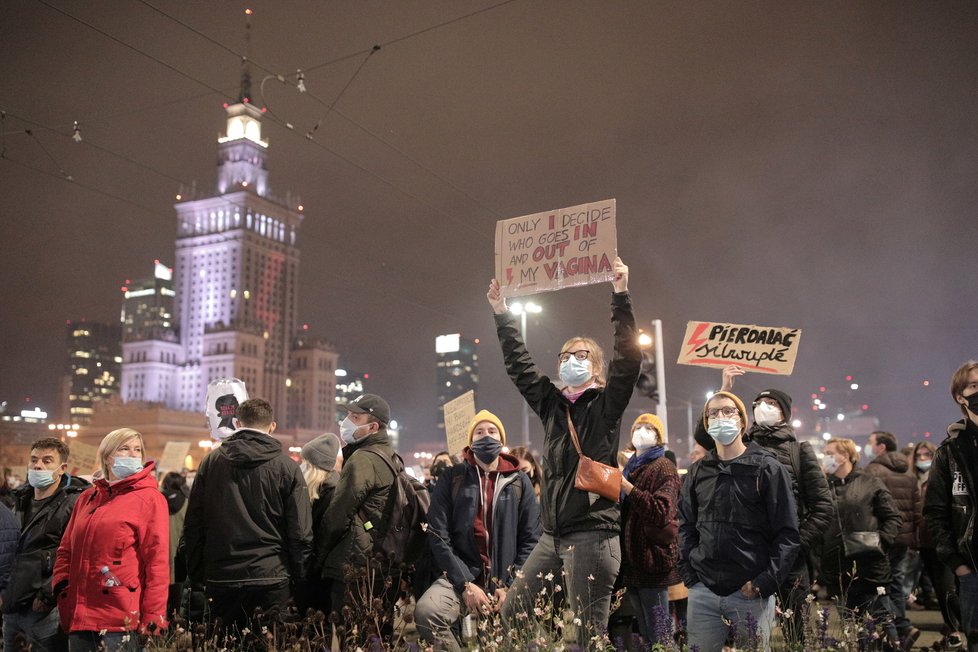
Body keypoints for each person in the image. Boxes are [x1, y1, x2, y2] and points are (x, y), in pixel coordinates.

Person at [487, 257, 641, 643]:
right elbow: (520, 367)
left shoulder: (606, 405)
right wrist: (502, 313)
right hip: (551, 535)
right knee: (514, 614)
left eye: (582, 355)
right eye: (565, 355)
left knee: (586, 637)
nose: (571, 360)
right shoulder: (552, 404)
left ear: (597, 366)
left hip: (592, 534)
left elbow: (629, 360)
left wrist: (620, 296)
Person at [693, 366, 834, 646]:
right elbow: (705, 436)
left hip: (788, 561)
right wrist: (725, 391)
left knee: (796, 633)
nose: (762, 408)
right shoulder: (744, 443)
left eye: (771, 403)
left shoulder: (799, 451)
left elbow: (822, 506)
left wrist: (793, 543)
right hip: (749, 559)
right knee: (744, 634)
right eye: (757, 403)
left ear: (784, 412)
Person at [679, 391, 799, 652]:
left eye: (728, 411)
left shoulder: (767, 468)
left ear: (743, 422)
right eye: (713, 413)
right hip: (704, 592)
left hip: (750, 593)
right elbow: (686, 526)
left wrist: (765, 582)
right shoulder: (699, 471)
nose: (720, 417)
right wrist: (691, 576)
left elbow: (787, 533)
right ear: (707, 424)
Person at [183, 398, 312, 634]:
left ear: (236, 422)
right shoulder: (287, 467)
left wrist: (198, 575)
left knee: (223, 645)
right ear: (272, 426)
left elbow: (193, 525)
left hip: (221, 576)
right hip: (271, 577)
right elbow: (300, 533)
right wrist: (300, 580)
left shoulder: (211, 463)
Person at [415, 410, 540, 651]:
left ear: (501, 440)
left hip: (507, 580)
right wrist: (464, 584)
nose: (486, 436)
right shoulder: (453, 478)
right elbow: (439, 534)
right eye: (479, 432)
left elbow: (530, 538)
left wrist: (510, 585)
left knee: (507, 642)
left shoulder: (518, 481)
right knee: (427, 613)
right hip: (462, 577)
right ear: (470, 442)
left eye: (492, 431)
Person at [53, 428, 169, 651]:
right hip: (80, 618)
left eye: (138, 450)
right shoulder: (87, 497)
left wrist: (153, 620)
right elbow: (66, 549)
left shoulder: (150, 499)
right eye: (125, 448)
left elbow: (157, 565)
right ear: (107, 457)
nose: (133, 455)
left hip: (121, 621)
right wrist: (62, 588)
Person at [2, 438, 89, 652]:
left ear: (62, 468)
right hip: (12, 605)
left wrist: (47, 595)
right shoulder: (19, 499)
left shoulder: (73, 504)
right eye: (34, 460)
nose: (38, 465)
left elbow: (73, 555)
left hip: (43, 610)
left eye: (47, 461)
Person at [316, 393, 398, 618]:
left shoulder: (363, 459)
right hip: (380, 563)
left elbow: (337, 516)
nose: (346, 421)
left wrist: (318, 557)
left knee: (351, 637)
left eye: (355, 417)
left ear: (373, 427)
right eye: (347, 415)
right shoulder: (391, 456)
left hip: (354, 566)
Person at [819, 437, 901, 649]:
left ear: (845, 455)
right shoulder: (822, 487)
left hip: (870, 564)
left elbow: (893, 517)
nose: (826, 457)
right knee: (852, 627)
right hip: (837, 565)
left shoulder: (870, 482)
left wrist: (881, 542)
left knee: (882, 623)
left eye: (830, 453)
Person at [925, 361, 978, 652]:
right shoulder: (949, 451)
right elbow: (935, 512)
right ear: (961, 396)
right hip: (973, 570)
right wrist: (958, 565)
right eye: (974, 386)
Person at [619, 413, 680, 646]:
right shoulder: (631, 467)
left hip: (652, 562)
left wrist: (628, 488)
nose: (642, 432)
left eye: (649, 428)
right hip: (633, 564)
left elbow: (661, 511)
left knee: (660, 634)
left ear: (658, 437)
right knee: (646, 632)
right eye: (638, 427)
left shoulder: (664, 467)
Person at [864, 430, 921, 648]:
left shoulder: (873, 470)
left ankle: (899, 629)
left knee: (880, 585)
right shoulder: (908, 472)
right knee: (896, 583)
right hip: (903, 538)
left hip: (882, 537)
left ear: (881, 447)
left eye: (871, 443)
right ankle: (903, 627)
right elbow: (917, 509)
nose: (868, 446)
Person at [910, 440, 962, 643]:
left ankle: (957, 627)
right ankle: (951, 626)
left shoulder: (941, 476)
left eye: (926, 455)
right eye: (919, 455)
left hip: (942, 539)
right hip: (925, 541)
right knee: (939, 586)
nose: (922, 459)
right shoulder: (916, 478)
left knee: (948, 586)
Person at [300, 432, 341, 616]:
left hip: (317, 575)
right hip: (314, 571)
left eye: (304, 463)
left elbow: (325, 536)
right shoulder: (322, 489)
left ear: (312, 467)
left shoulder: (331, 493)